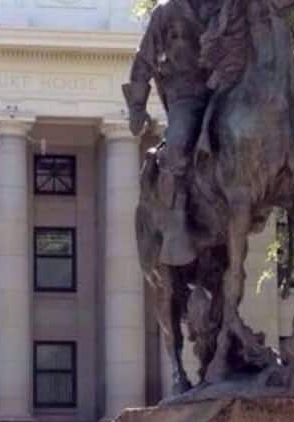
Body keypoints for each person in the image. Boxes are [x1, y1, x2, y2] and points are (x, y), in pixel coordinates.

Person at [123, 0, 220, 266]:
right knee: (176, 147)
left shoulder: (227, 6)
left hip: (226, 90)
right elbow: (144, 60)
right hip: (187, 94)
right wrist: (137, 107)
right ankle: (175, 219)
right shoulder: (166, 12)